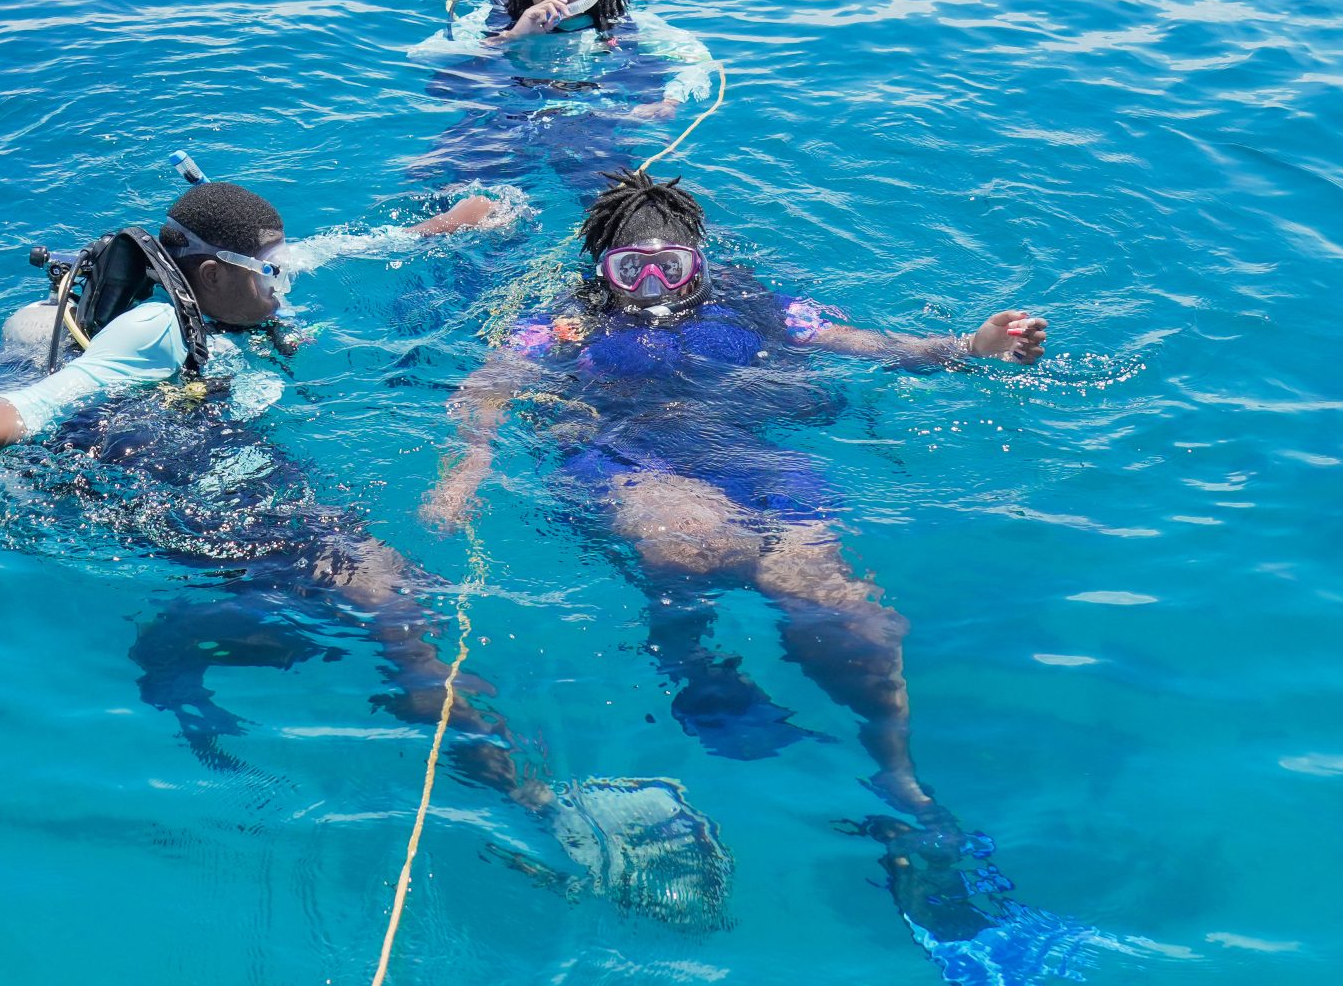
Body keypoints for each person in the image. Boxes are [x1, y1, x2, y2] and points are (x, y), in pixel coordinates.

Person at [0, 178, 731, 924]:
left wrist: (449, 223)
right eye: (267, 272)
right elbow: (36, 408)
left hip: (227, 463)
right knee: (397, 602)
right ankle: (541, 809)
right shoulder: (151, 331)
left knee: (386, 600)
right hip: (208, 481)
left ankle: (202, 639)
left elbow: (334, 249)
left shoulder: (229, 287)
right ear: (211, 275)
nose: (283, 283)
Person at [421, 169, 1046, 842]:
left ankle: (898, 777)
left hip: (752, 460)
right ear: (604, 269)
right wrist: (468, 466)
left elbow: (878, 345)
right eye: (633, 271)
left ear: (699, 263)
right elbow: (485, 389)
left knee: (846, 613)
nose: (654, 286)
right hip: (625, 456)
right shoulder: (565, 323)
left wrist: (973, 347)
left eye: (671, 267)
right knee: (691, 537)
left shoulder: (757, 305)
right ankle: (692, 660)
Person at [407, 0, 716, 203]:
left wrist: (672, 98)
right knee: (442, 191)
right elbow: (422, 55)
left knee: (627, 208)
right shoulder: (497, 19)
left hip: (591, 125)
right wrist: (510, 38)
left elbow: (700, 61)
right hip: (506, 120)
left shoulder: (621, 22)